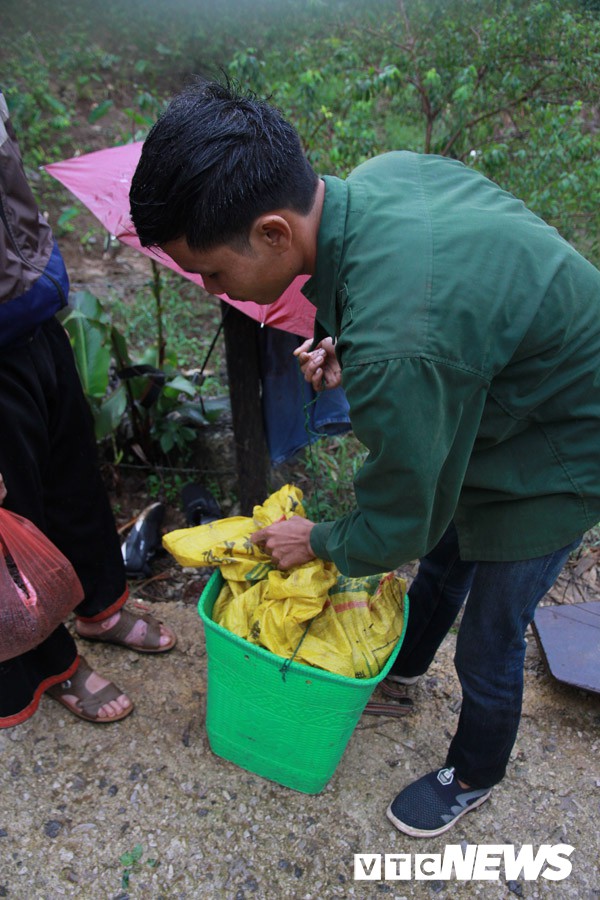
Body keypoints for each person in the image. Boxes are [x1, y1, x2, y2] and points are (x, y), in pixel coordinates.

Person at [129, 80, 600, 837]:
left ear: (276, 233)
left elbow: (398, 523)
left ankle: (475, 769)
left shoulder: (401, 345)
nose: (216, 292)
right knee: (449, 557)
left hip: (565, 445)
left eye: (215, 273)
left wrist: (314, 538)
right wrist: (354, 342)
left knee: (489, 638)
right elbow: (446, 306)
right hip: (510, 391)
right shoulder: (384, 174)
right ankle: (404, 671)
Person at [0, 91, 176, 729]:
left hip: (26, 310)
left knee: (72, 476)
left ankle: (99, 604)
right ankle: (48, 659)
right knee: (10, 527)